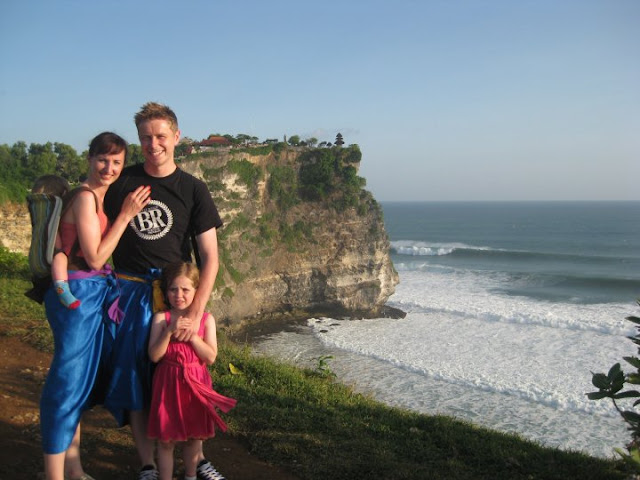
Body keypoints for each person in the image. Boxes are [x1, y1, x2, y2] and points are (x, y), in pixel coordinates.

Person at [103, 102, 223, 480]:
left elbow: (210, 257)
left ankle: (196, 458)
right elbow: (90, 212)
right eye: (145, 138)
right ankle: (148, 463)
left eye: (160, 136)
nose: (153, 144)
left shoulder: (193, 189)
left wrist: (194, 313)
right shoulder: (123, 182)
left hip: (175, 296)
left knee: (187, 375)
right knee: (136, 379)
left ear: (176, 137)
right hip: (129, 292)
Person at [40, 132, 151, 480]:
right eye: (103, 159)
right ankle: (54, 475)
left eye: (117, 162)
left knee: (78, 384)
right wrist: (126, 216)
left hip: (89, 293)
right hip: (78, 295)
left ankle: (73, 469)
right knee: (67, 383)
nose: (109, 168)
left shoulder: (94, 198)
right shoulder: (86, 198)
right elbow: (95, 257)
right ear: (89, 158)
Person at [147, 263, 236, 480]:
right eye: (173, 289)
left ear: (197, 291)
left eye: (185, 290)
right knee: (166, 441)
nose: (179, 295)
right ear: (166, 291)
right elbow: (154, 356)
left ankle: (190, 475)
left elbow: (210, 357)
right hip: (168, 385)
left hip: (196, 385)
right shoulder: (162, 319)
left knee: (194, 440)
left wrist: (193, 336)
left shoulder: (206, 320)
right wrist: (169, 332)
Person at [30, 175, 81, 309]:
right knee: (60, 257)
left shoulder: (38, 207)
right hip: (52, 247)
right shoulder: (55, 207)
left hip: (40, 253)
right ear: (63, 193)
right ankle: (62, 289)